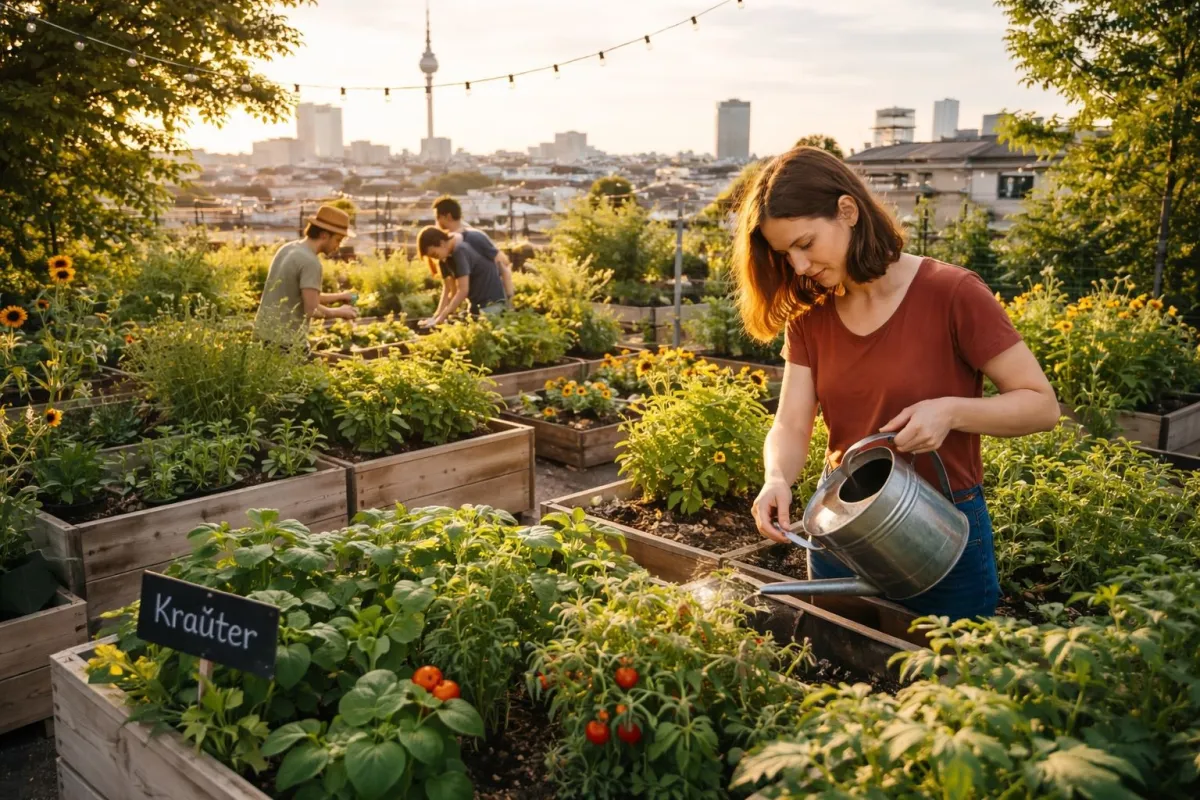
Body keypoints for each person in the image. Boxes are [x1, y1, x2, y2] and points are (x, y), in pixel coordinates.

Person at [738, 147, 1060, 621]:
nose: (800, 266)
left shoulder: (952, 293)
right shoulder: (811, 318)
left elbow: (1041, 406)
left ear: (847, 211)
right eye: (787, 255)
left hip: (941, 529)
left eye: (806, 243)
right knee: (839, 679)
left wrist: (951, 412)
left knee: (949, 684)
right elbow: (790, 424)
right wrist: (776, 479)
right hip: (841, 524)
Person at [254, 205, 358, 348]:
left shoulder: (288, 249)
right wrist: (340, 312)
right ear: (324, 235)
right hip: (286, 342)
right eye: (338, 240)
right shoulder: (311, 262)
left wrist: (340, 296)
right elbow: (312, 309)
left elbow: (301, 295)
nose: (338, 246)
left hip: (263, 334)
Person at [416, 226, 507, 328]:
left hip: (491, 304)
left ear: (441, 243)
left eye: (434, 254)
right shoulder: (444, 259)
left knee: (484, 334)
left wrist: (441, 318)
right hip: (475, 306)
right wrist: (435, 317)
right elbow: (449, 290)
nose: (435, 258)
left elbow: (463, 291)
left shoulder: (460, 251)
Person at [432, 195, 515, 303]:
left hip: (492, 301)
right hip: (474, 302)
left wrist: (509, 298)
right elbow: (450, 287)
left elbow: (503, 262)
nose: (436, 223)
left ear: (448, 216)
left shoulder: (474, 237)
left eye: (438, 218)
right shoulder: (447, 247)